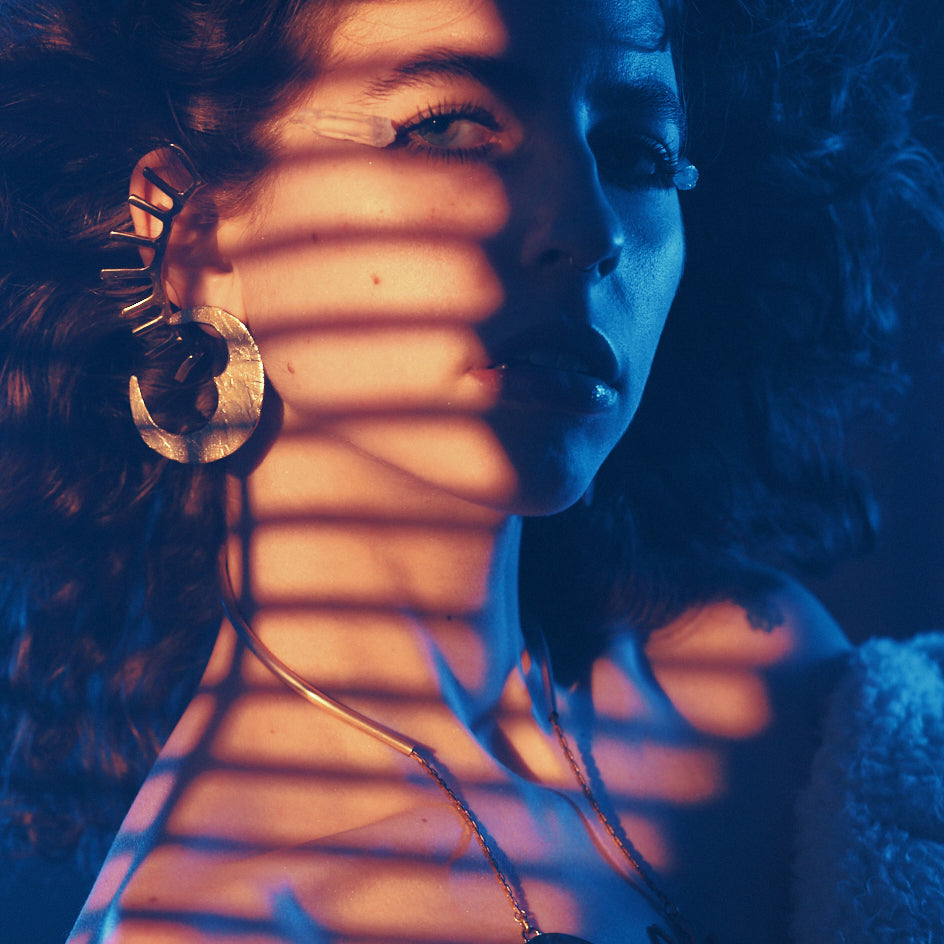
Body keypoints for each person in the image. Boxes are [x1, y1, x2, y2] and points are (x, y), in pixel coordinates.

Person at [1, 0, 942, 942]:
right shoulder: (218, 922)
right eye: (449, 128)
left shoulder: (773, 689)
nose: (589, 226)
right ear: (197, 242)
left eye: (637, 154)